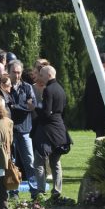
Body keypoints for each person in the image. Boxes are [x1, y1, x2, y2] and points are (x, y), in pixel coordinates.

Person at [31, 65, 69, 200]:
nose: (39, 77)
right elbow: (63, 111)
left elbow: (46, 112)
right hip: (59, 128)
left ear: (48, 75)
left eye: (41, 75)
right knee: (55, 162)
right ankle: (57, 191)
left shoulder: (48, 89)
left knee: (39, 160)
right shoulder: (61, 89)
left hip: (47, 130)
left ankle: (41, 191)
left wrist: (34, 108)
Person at [7, 60, 36, 192]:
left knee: (30, 162)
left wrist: (14, 106)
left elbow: (31, 106)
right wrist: (22, 106)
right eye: (14, 72)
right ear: (8, 72)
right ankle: (13, 191)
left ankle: (35, 192)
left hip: (25, 130)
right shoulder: (5, 88)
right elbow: (5, 107)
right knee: (10, 162)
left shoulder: (27, 87)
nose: (17, 75)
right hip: (9, 131)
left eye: (19, 72)